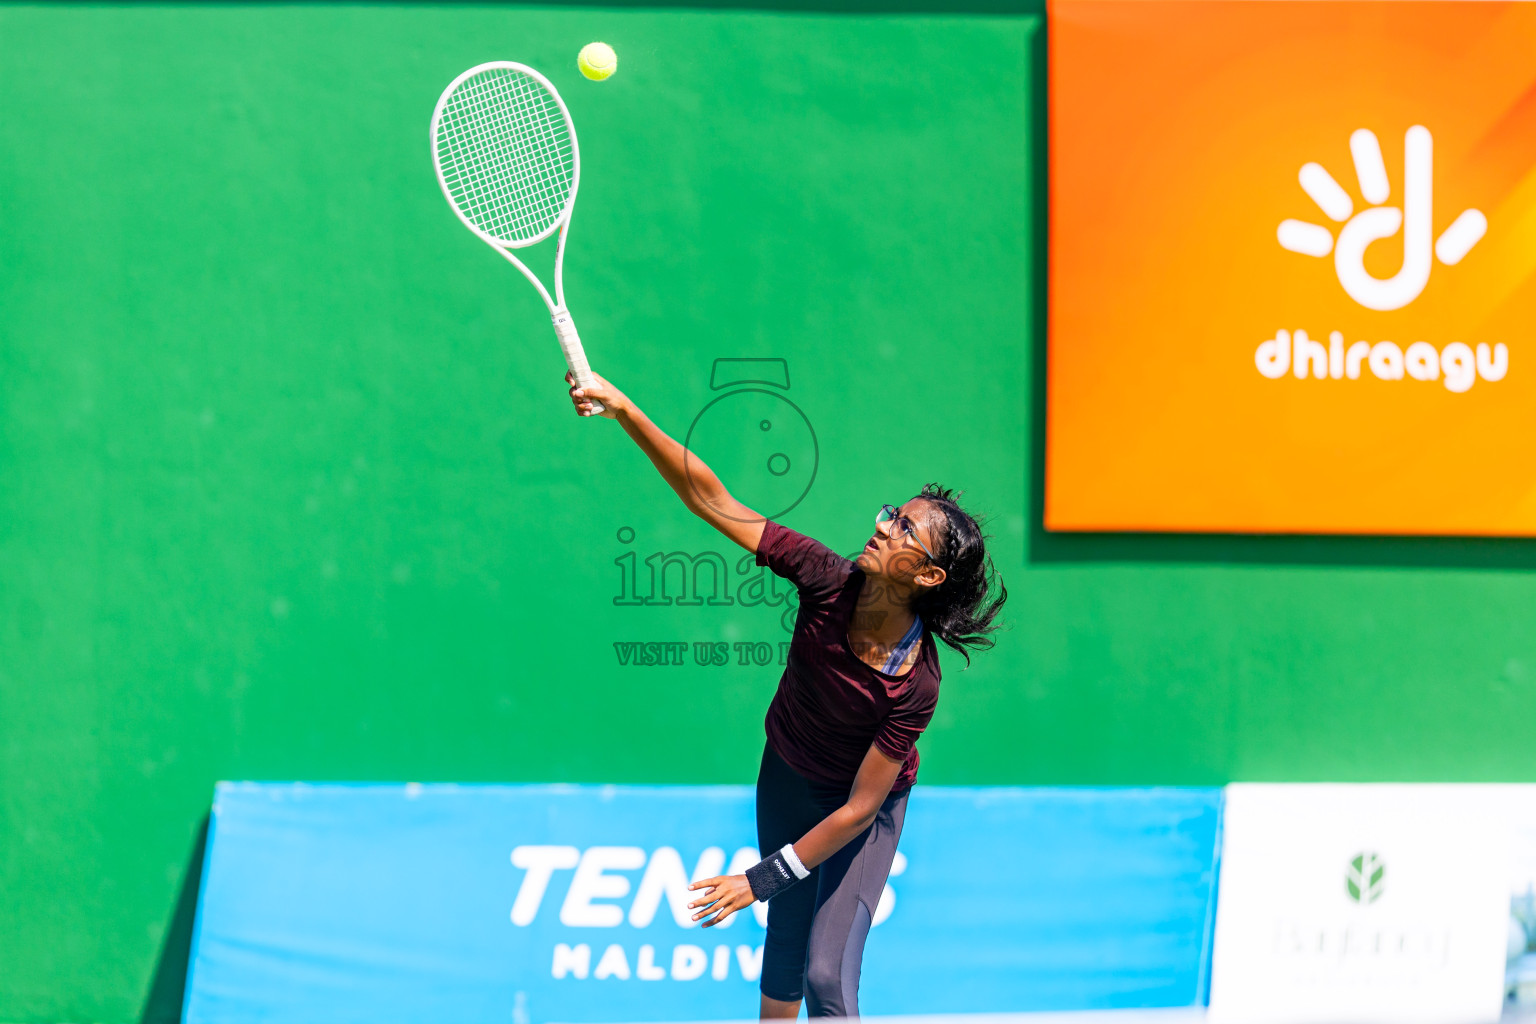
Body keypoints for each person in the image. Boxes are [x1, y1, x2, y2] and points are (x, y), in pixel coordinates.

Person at [566, 371, 1007, 1018]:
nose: (883, 526)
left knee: (827, 979)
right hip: (786, 775)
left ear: (931, 574)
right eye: (891, 513)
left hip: (860, 810)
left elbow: (859, 809)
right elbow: (712, 499)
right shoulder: (825, 578)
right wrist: (626, 409)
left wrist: (759, 878)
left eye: (904, 529)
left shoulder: (916, 682)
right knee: (784, 950)